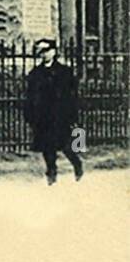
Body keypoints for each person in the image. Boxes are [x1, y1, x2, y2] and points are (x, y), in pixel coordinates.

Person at [23, 39, 83, 185]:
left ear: (53, 52)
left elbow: (72, 95)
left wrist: (72, 115)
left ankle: (77, 164)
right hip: (43, 116)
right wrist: (30, 114)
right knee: (46, 146)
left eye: (46, 51)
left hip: (60, 115)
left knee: (66, 146)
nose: (44, 54)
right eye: (41, 52)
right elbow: (30, 96)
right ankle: (51, 172)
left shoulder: (65, 72)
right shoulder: (35, 73)